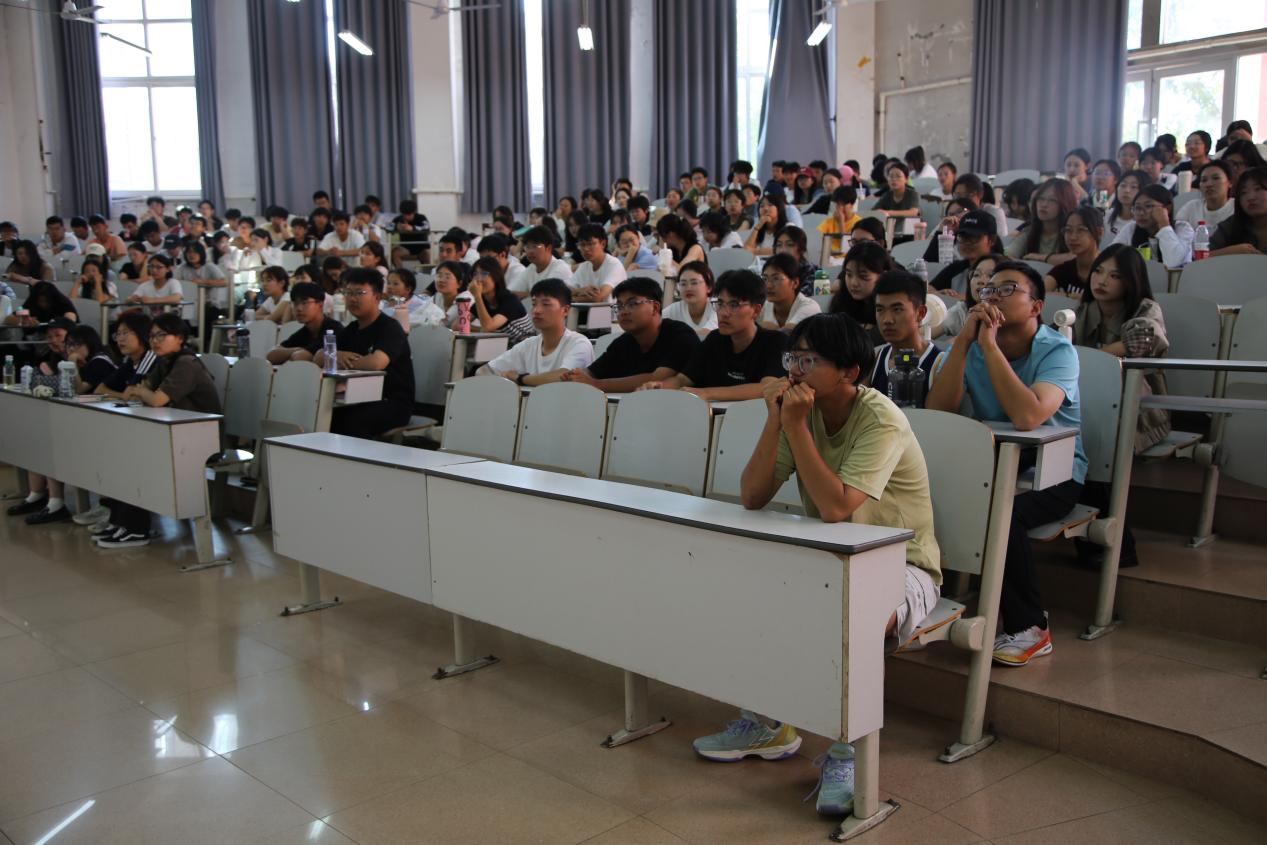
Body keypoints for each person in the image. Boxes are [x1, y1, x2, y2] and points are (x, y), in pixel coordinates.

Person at [695, 312, 940, 818]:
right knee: (752, 590)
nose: (795, 370)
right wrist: (775, 420)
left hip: (902, 565)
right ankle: (769, 724)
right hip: (832, 559)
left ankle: (848, 754)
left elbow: (835, 507)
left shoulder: (881, 419)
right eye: (793, 358)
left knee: (851, 621)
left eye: (809, 361)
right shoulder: (798, 412)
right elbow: (753, 495)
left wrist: (794, 426)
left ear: (849, 371)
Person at [927, 261, 1085, 667]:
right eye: (987, 289)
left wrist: (990, 347)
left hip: (1054, 471)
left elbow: (1028, 416)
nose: (993, 295)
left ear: (1036, 306)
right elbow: (939, 411)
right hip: (994, 466)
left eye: (1008, 288)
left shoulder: (1058, 351)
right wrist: (964, 344)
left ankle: (1031, 626)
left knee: (1004, 514)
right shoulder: (972, 346)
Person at [1071, 244, 1170, 570]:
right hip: (1090, 411)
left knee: (1096, 455)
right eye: (1098, 271)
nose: (1101, 281)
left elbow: (1141, 342)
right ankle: (1093, 541)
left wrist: (1086, 358)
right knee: (1079, 450)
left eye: (1114, 276)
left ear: (1131, 281)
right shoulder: (1084, 310)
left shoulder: (1146, 309)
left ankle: (1119, 545)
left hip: (1139, 412)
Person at [91, 314, 222, 548]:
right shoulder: (165, 362)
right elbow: (136, 392)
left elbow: (155, 399)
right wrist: (142, 392)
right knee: (119, 451)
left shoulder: (186, 364)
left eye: (161, 335)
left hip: (202, 440)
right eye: (152, 336)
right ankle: (120, 522)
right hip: (178, 434)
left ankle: (136, 529)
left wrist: (143, 392)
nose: (155, 341)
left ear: (179, 338)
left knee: (134, 457)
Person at [638, 270, 786, 400]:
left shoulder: (775, 341)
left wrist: (707, 393)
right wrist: (659, 387)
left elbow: (767, 387)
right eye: (720, 303)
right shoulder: (714, 340)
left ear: (756, 310)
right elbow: (682, 380)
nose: (723, 313)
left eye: (734, 305)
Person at [537, 278, 701, 391]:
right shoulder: (623, 342)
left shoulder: (679, 335)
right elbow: (591, 372)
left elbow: (658, 378)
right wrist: (575, 376)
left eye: (632, 304)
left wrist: (597, 384)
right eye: (620, 306)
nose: (624, 311)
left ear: (655, 307)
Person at [313, 268, 415, 438]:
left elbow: (376, 363)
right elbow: (318, 356)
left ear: (377, 297)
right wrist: (335, 355)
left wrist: (335, 358)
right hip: (357, 397)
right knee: (320, 413)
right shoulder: (351, 329)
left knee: (346, 421)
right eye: (348, 293)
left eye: (360, 293)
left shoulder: (390, 328)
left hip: (392, 403)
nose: (352, 298)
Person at [478, 280, 593, 385]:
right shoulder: (528, 345)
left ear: (565, 310)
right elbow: (483, 372)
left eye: (546, 304)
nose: (537, 310)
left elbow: (564, 376)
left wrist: (520, 378)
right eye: (534, 304)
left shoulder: (579, 343)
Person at [867, 271, 940, 402]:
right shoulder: (874, 359)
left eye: (897, 309)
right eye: (880, 310)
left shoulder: (939, 363)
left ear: (920, 313)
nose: (887, 320)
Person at [1112, 184, 1194, 268]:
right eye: (1137, 207)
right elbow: (1111, 256)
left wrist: (1163, 224)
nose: (1141, 213)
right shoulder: (1131, 228)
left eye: (1148, 206)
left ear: (1167, 208)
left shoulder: (1182, 228)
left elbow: (1173, 263)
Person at [930, 210, 1004, 300]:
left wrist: (961, 298)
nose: (967, 243)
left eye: (974, 238)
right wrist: (940, 294)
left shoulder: (1003, 269)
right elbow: (928, 289)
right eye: (963, 237)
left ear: (992, 240)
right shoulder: (958, 268)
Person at [828, 240, 891, 342]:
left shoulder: (890, 309)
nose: (854, 283)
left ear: (882, 276)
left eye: (863, 276)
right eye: (849, 275)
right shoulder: (840, 303)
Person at [268, 282, 345, 364]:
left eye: (304, 303)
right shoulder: (305, 331)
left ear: (320, 304)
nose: (299, 308)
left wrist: (295, 352)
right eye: (295, 303)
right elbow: (271, 355)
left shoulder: (333, 330)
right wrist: (297, 350)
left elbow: (299, 357)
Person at [936, 253, 1003, 339]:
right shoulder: (962, 311)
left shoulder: (1011, 316)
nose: (980, 281)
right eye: (976, 275)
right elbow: (925, 335)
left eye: (990, 275)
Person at [1006, 178, 1076, 260]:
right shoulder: (1028, 232)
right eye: (1040, 198)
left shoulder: (1073, 234)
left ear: (1066, 204)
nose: (1044, 204)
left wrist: (1042, 258)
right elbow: (1007, 256)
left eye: (1052, 200)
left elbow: (1078, 258)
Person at [1044, 207, 1104, 296]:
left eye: (1081, 230)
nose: (1073, 237)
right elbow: (1038, 295)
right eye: (1068, 230)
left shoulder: (1109, 272)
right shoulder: (1064, 270)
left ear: (1099, 232)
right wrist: (1066, 296)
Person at [97, 311, 157, 397]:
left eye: (125, 333)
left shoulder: (151, 357)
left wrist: (125, 396)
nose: (120, 339)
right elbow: (99, 390)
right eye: (118, 334)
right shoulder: (130, 362)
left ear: (142, 333)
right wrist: (123, 396)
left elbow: (132, 395)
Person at [1210, 165, 1267, 255]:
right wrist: (1230, 252)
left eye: (1258, 189)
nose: (1251, 197)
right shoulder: (1231, 225)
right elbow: (1201, 257)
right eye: (1243, 192)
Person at [468, 256, 531, 338]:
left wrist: (477, 296)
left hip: (524, 343)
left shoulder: (510, 300)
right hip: (501, 345)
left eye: (484, 274)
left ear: (496, 276)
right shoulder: (482, 302)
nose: (478, 279)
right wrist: (481, 330)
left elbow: (488, 327)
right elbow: (458, 325)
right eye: (475, 274)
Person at [759, 254, 822, 330]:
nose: (769, 285)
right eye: (765, 279)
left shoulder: (809, 307)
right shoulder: (763, 306)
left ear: (795, 283)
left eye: (776, 278)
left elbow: (789, 333)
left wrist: (770, 330)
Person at [175, 241, 229, 328]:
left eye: (195, 252)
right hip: (188, 303)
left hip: (208, 303)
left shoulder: (209, 266)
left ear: (201, 253)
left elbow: (224, 282)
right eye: (189, 252)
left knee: (209, 316)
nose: (192, 255)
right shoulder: (182, 268)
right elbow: (175, 284)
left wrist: (203, 281)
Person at [570, 222, 626, 302]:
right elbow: (565, 291)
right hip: (585, 309)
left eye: (590, 244)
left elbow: (599, 298)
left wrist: (571, 298)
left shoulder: (614, 265)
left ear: (603, 244)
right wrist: (580, 290)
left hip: (611, 310)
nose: (586, 249)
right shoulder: (584, 266)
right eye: (582, 244)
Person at [379, 267, 446, 329]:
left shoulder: (420, 305)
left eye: (395, 284)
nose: (389, 287)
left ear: (408, 289)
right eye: (388, 283)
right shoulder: (384, 303)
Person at [662, 261, 717, 336]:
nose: (688, 288)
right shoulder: (674, 309)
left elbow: (708, 334)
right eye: (683, 284)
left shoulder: (717, 307)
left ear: (709, 287)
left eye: (694, 283)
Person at [1176, 160, 1234, 230]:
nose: (1209, 184)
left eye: (1216, 178)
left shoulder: (1237, 208)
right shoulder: (1191, 208)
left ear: (1230, 182)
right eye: (1204, 180)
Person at [516, 226, 573, 296]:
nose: (530, 251)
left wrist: (524, 295)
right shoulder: (531, 268)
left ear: (549, 248)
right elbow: (512, 292)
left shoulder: (560, 268)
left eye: (535, 246)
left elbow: (544, 296)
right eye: (527, 247)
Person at [873, 161, 920, 237]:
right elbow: (874, 211)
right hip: (890, 233)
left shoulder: (912, 194)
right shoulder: (887, 195)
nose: (894, 179)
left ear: (906, 179)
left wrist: (888, 213)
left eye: (898, 176)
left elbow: (913, 212)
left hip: (910, 233)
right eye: (891, 176)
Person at [954, 173, 1009, 238]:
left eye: (969, 195)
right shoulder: (954, 212)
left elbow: (1000, 239)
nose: (964, 200)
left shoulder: (994, 212)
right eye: (958, 196)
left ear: (981, 194)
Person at [817, 186, 861, 263]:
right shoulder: (829, 221)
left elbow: (847, 247)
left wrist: (841, 223)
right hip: (828, 257)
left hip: (848, 259)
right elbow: (817, 238)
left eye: (843, 205)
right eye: (838, 204)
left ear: (852, 205)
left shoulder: (858, 223)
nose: (840, 208)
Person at [1105, 171, 1150, 243]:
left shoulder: (1145, 223)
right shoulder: (1106, 216)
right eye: (1123, 185)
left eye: (1134, 187)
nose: (1126, 190)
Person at [743, 193, 789, 257]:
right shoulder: (759, 229)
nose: (766, 209)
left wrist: (755, 251)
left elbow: (785, 250)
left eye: (770, 205)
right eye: (762, 206)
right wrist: (758, 226)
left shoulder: (788, 227)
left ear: (779, 208)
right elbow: (746, 250)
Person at [429, 260, 471, 326]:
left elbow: (442, 324)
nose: (441, 280)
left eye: (447, 277)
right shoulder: (437, 296)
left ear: (459, 284)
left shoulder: (464, 299)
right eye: (439, 276)